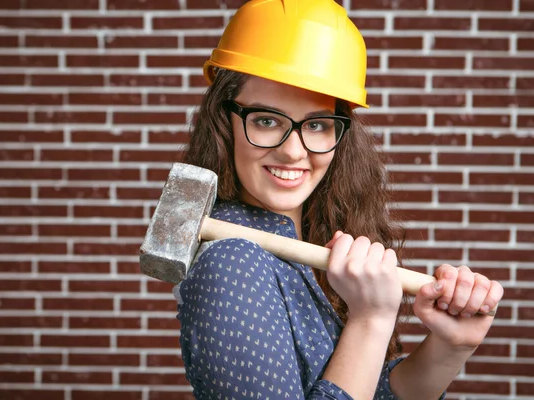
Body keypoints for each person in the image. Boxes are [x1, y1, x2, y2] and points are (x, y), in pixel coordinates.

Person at [174, 0, 504, 398]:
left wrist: (450, 348)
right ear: (222, 123)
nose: (294, 152)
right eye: (266, 120)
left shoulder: (311, 242)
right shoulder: (232, 263)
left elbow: (366, 389)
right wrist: (370, 319)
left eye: (316, 124)